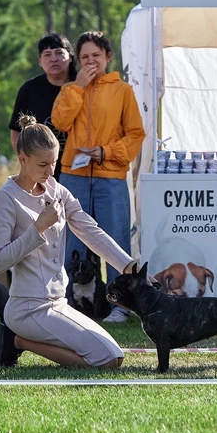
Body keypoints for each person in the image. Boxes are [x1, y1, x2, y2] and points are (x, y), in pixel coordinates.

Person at [0, 116, 136, 368]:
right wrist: (38, 228)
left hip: (59, 303)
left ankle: (16, 339)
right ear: (22, 159)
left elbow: (91, 231)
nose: (50, 171)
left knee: (116, 355)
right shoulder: (5, 198)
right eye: (43, 164)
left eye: (54, 163)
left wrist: (129, 267)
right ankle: (16, 340)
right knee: (108, 360)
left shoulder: (56, 189)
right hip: (27, 308)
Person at [52, 31, 145, 323]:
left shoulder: (123, 91)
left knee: (115, 240)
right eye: (84, 58)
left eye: (96, 56)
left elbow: (135, 134)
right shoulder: (71, 87)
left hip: (111, 175)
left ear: (107, 57)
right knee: (70, 241)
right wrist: (77, 87)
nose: (90, 61)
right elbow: (59, 122)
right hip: (73, 176)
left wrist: (105, 152)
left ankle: (121, 306)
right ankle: (67, 302)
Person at [9, 33, 78, 180]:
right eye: (47, 54)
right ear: (40, 61)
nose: (53, 58)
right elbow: (16, 132)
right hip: (42, 173)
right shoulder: (30, 89)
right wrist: (27, 163)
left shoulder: (83, 85)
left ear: (71, 57)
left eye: (59, 52)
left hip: (80, 171)